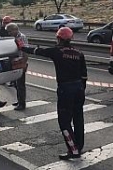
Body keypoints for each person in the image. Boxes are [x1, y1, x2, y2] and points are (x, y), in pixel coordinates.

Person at [21, 27, 87, 160]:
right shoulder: (79, 53)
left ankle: (73, 150)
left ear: (59, 38)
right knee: (78, 118)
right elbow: (84, 75)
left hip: (65, 89)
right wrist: (80, 90)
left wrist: (22, 47)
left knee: (64, 121)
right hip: (79, 88)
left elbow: (37, 51)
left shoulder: (57, 51)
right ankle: (78, 146)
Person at [5, 23, 29, 110]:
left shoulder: (21, 37)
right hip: (16, 62)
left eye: (10, 31)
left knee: (20, 84)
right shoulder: (15, 38)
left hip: (20, 62)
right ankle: (20, 100)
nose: (9, 33)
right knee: (16, 83)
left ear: (14, 29)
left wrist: (23, 62)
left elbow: (25, 51)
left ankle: (22, 104)